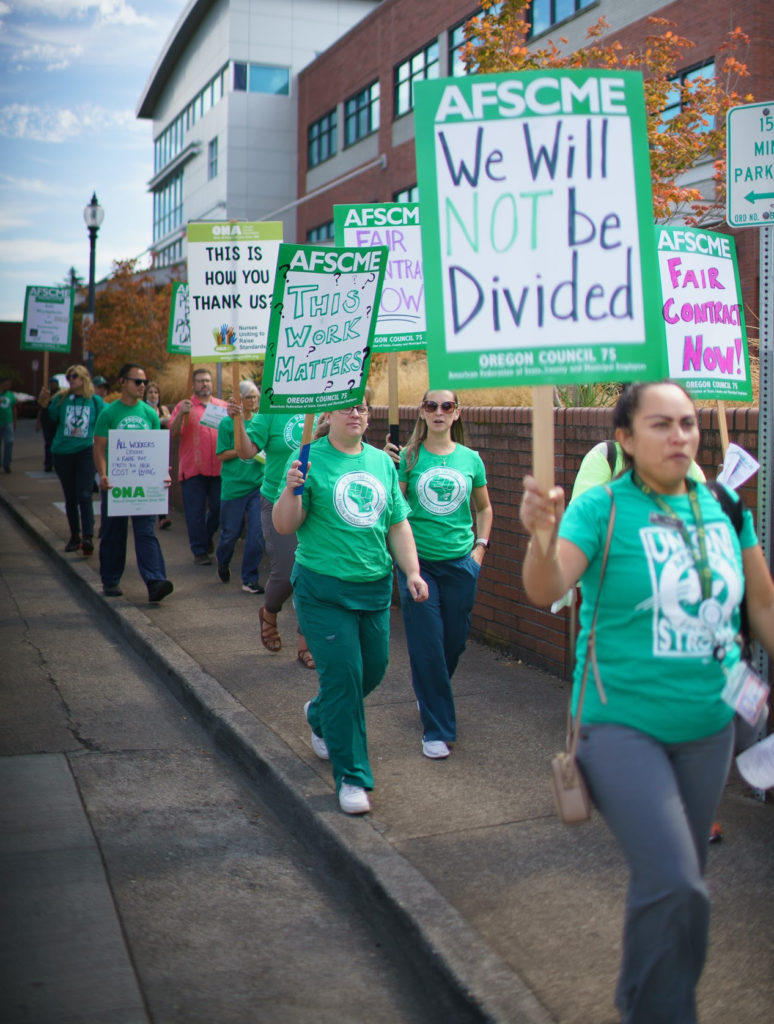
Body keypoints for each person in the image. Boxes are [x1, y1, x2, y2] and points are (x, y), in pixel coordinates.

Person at [519, 380, 774, 1024]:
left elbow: (763, 604)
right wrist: (540, 538)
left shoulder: (722, 506)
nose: (681, 436)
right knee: (677, 883)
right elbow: (545, 585)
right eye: (661, 425)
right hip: (620, 725)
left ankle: (642, 1002)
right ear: (626, 440)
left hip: (710, 725)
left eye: (687, 423)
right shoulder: (600, 509)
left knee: (676, 883)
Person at [272, 399, 428, 815]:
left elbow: (397, 523)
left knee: (371, 671)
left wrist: (411, 571)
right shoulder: (306, 457)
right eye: (345, 407)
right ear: (327, 415)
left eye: (360, 407)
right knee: (344, 678)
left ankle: (320, 714)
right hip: (322, 590)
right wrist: (292, 488)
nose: (354, 414)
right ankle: (353, 777)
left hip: (374, 590)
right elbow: (285, 524)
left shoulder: (381, 463)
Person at [392, 389, 492, 759]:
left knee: (454, 641)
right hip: (419, 566)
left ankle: (431, 693)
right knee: (427, 643)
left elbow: (484, 507)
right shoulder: (408, 457)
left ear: (456, 414)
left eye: (446, 406)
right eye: (431, 406)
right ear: (421, 412)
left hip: (461, 565)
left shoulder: (471, 460)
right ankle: (437, 730)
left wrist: (479, 549)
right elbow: (395, 508)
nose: (438, 411)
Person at [228, 402, 316, 668]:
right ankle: (269, 611)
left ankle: (306, 642)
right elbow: (246, 452)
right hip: (278, 497)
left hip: (317, 499)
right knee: (288, 568)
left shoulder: (325, 405)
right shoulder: (273, 408)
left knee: (310, 569)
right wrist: (238, 421)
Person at [93, 363, 173, 603]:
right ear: (122, 382)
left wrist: (164, 473)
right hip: (116, 485)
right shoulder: (109, 413)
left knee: (146, 532)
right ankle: (110, 580)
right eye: (137, 381)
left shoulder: (149, 414)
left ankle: (156, 581)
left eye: (144, 382)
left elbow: (156, 450)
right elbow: (98, 447)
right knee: (113, 533)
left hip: (144, 486)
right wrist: (103, 475)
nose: (142, 386)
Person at [37, 365, 105, 555]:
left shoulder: (95, 401)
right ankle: (75, 535)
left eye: (75, 376)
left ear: (84, 378)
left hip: (85, 451)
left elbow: (104, 422)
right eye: (68, 376)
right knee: (71, 497)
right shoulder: (60, 399)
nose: (71, 379)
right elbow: (50, 425)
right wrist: (43, 406)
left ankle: (88, 537)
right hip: (62, 452)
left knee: (84, 494)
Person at [168, 368, 226, 565]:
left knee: (219, 509)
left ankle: (206, 537)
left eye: (208, 381)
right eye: (200, 381)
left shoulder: (222, 406)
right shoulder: (184, 406)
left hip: (219, 469)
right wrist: (180, 415)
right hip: (193, 469)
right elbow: (173, 433)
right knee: (195, 512)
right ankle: (199, 551)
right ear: (193, 385)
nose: (205, 384)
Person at [216, 380, 265, 594]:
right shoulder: (228, 424)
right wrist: (244, 449)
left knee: (256, 533)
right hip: (234, 487)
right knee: (230, 534)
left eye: (255, 397)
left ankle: (250, 578)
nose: (253, 401)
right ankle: (223, 561)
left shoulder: (262, 422)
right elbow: (221, 455)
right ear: (240, 400)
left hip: (257, 486)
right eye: (249, 397)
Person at [572, 437, 705, 500]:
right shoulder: (605, 456)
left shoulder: (691, 469)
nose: (677, 434)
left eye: (686, 423)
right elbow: (581, 522)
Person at [145, 381, 172, 529]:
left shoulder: (163, 409)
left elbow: (169, 423)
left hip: (161, 449)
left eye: (156, 392)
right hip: (146, 448)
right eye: (150, 392)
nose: (153, 395)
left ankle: (163, 516)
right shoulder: (142, 409)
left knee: (163, 479)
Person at [36, 375, 60, 471]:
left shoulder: (60, 395)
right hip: (47, 422)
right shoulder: (46, 394)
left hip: (57, 422)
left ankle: (55, 462)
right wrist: (38, 422)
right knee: (48, 443)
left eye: (55, 384)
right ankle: (48, 464)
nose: (53, 385)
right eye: (52, 384)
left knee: (56, 443)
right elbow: (41, 408)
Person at [0, 375, 18, 473]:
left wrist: (15, 421)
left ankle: (7, 463)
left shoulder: (10, 395)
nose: (9, 385)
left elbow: (14, 408)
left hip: (8, 422)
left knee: (9, 441)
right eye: (7, 383)